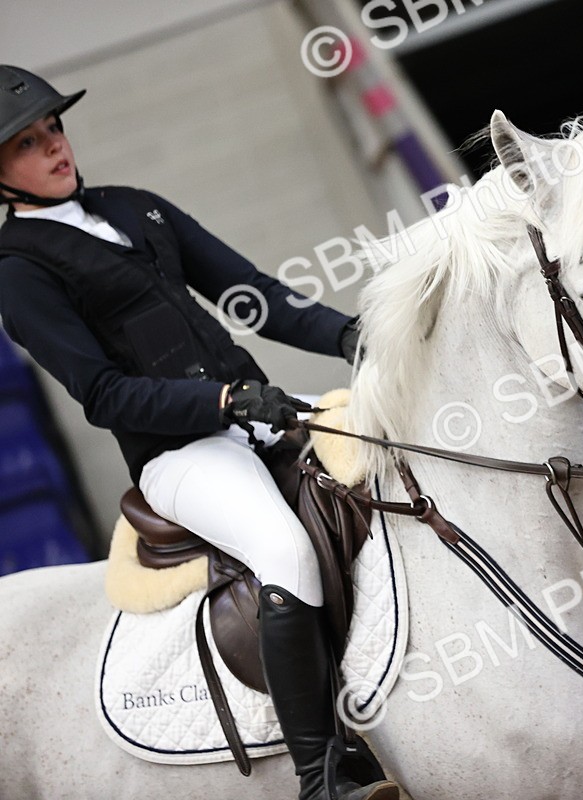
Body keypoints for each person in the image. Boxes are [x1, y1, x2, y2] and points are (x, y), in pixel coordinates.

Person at [0, 65, 398, 800]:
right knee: (283, 552)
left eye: (54, 127)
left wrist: (350, 335)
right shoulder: (20, 274)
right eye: (28, 142)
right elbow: (101, 393)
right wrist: (220, 402)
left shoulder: (134, 208)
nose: (55, 147)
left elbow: (256, 295)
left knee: (396, 455)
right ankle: (325, 776)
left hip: (256, 410)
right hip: (180, 455)